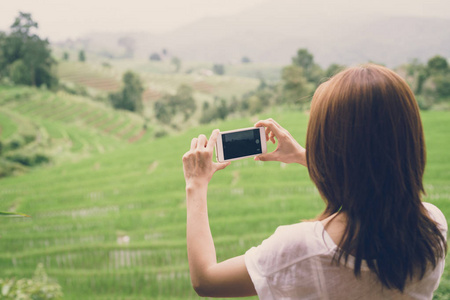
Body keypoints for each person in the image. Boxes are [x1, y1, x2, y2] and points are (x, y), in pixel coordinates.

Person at [181, 64, 447, 299]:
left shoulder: (304, 250)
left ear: (329, 146)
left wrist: (196, 183)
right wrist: (301, 156)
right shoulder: (433, 229)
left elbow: (206, 280)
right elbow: (372, 171)